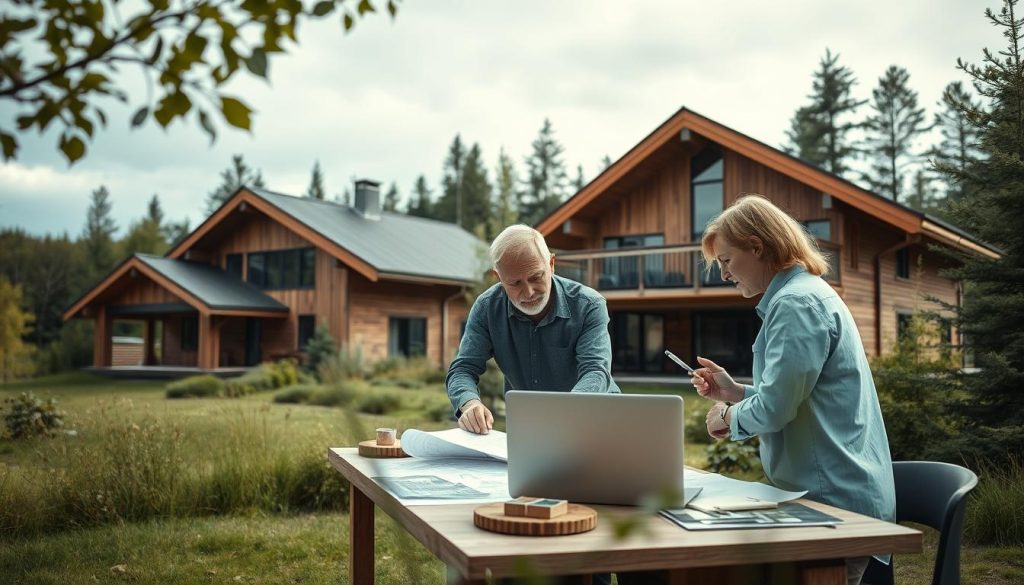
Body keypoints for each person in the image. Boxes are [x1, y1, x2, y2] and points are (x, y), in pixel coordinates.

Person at [692, 194, 895, 585]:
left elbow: (775, 410)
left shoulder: (795, 304)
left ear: (757, 246)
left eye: (727, 260)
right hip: (826, 495)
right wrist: (734, 392)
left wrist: (727, 416)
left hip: (831, 505)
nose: (724, 274)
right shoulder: (804, 294)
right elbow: (798, 396)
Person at [447, 224, 620, 434]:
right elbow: (463, 368)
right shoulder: (486, 309)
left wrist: (569, 410)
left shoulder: (589, 305)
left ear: (552, 264)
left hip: (596, 420)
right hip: (529, 429)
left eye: (535, 277)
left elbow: (596, 371)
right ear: (498, 277)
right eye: (515, 283)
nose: (528, 292)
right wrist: (469, 403)